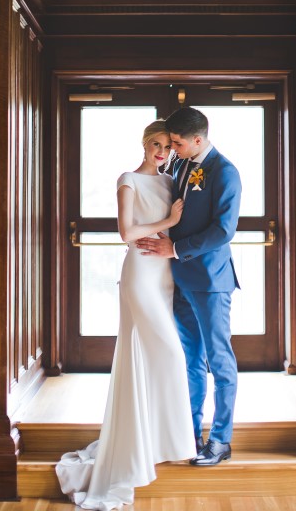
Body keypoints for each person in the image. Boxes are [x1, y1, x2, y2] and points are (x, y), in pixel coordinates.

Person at [55, 120, 196, 510]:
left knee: (153, 359)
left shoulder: (172, 183)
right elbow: (127, 232)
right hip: (139, 273)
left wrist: (175, 235)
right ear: (145, 144)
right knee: (169, 353)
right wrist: (168, 222)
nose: (162, 152)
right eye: (156, 144)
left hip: (163, 274)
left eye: (168, 146)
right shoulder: (128, 179)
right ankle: (153, 444)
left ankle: (155, 441)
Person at [137, 106, 241, 467]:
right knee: (190, 362)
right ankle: (189, 433)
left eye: (178, 143)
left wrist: (176, 248)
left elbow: (223, 230)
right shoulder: (181, 165)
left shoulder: (225, 172)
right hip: (178, 279)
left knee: (219, 361)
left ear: (198, 139)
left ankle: (221, 440)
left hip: (210, 281)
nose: (173, 150)